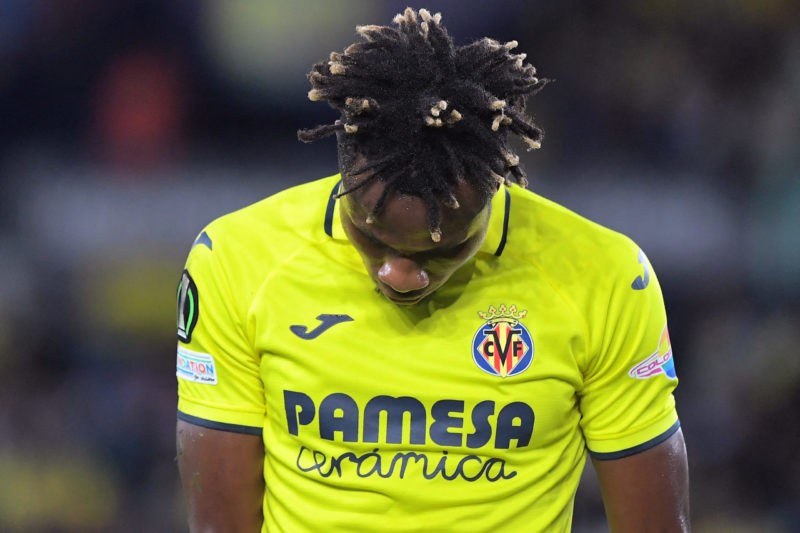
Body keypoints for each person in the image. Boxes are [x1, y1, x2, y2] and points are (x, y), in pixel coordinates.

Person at [175, 8, 689, 532]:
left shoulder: (603, 276)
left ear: (493, 189)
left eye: (441, 249)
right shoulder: (237, 260)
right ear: (343, 170)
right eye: (372, 239)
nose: (399, 276)